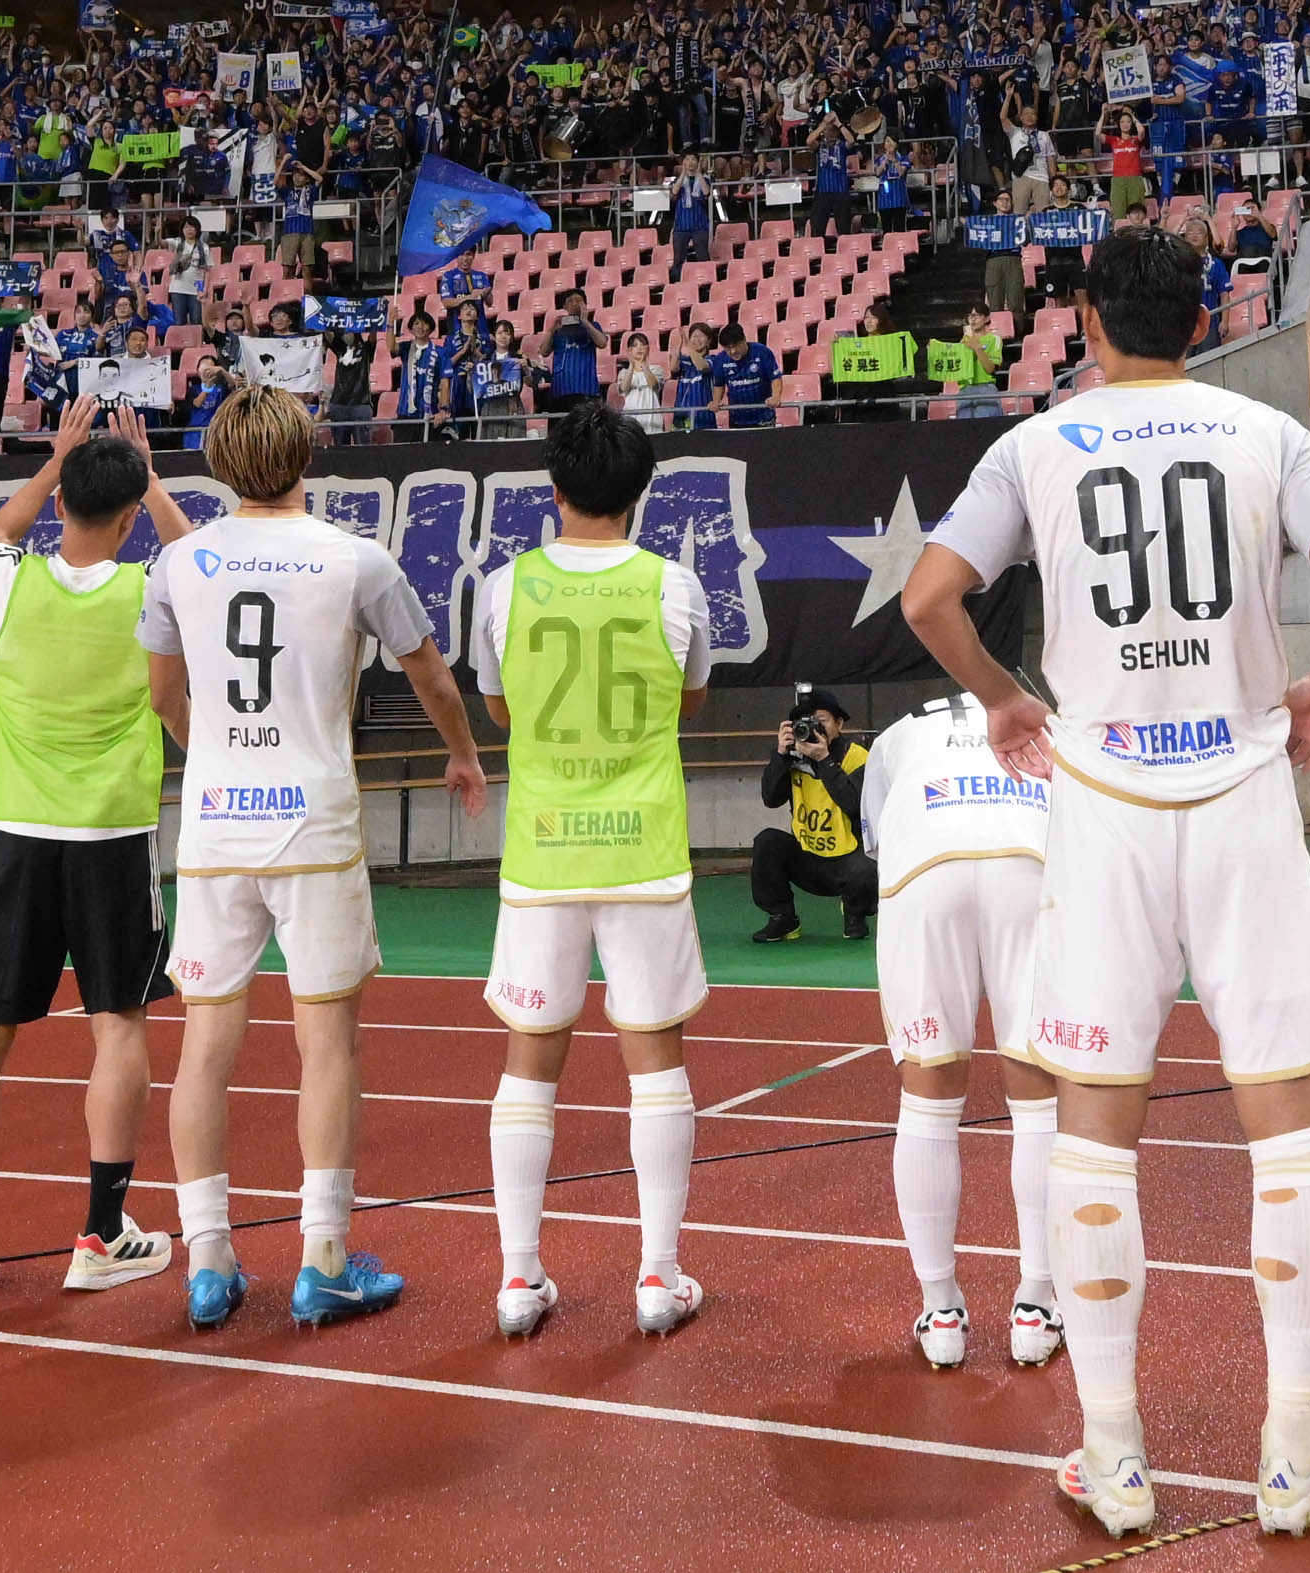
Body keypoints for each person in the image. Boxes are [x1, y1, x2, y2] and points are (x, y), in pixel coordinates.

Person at [903, 224, 1310, 1542]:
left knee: (1096, 1122)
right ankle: (1292, 1456)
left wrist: (1005, 699)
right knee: (1286, 1119)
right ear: (1206, 315)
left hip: (1105, 804)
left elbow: (930, 598)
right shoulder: (1264, 433)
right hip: (1240, 795)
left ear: (1087, 322)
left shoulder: (1036, 444)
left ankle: (1116, 1455)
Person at [148, 383, 482, 1330]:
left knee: (205, 1046)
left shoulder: (175, 564)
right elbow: (429, 672)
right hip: (315, 826)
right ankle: (324, 1257)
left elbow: (164, 695)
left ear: (220, 465)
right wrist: (462, 753)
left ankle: (208, 1262)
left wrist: (218, 762)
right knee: (326, 1042)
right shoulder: (355, 558)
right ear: (306, 453)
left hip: (216, 826)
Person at [0, 402, 188, 1301]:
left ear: (62, 501)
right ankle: (102, 1235)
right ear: (129, 518)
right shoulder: (151, 589)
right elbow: (195, 557)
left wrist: (57, 458)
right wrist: (150, 481)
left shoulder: (10, 583)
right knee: (119, 1026)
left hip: (21, 840)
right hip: (113, 836)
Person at [469, 404, 724, 1339]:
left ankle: (519, 1277)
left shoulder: (504, 588)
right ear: (641, 491)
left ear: (554, 488)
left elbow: (501, 709)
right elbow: (690, 700)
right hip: (643, 848)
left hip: (543, 849)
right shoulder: (675, 585)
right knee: (655, 1062)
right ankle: (658, 1276)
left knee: (530, 1063)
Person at [857, 688, 1060, 1370]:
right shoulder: (1049, 722)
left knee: (928, 1094)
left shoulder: (897, 734)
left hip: (925, 867)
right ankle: (1037, 1304)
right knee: (1037, 1091)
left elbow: (874, 840)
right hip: (1029, 864)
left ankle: (941, 1309)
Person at [748, 689, 872, 942]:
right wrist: (780, 756)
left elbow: (855, 805)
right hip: (807, 855)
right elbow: (771, 799)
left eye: (821, 720)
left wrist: (824, 760)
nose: (814, 728)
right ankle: (783, 919)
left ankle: (855, 913)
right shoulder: (792, 756)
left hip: (849, 858)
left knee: (872, 862)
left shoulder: (857, 757)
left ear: (839, 724)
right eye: (805, 722)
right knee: (767, 841)